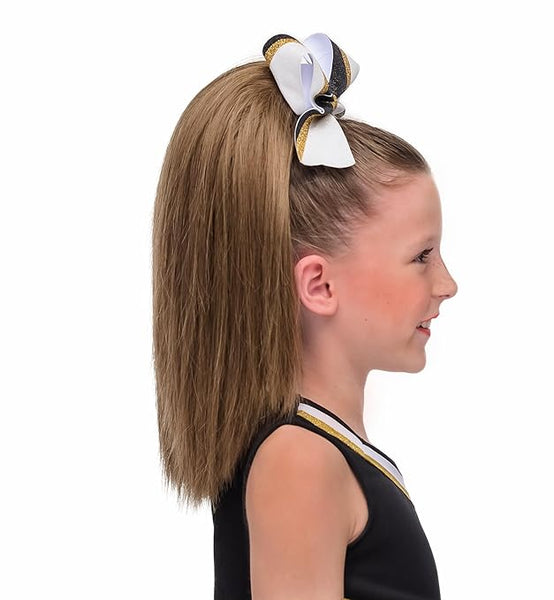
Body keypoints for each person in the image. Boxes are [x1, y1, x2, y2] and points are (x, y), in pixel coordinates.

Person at [152, 31, 458, 600]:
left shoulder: (317, 453)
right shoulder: (301, 463)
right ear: (319, 285)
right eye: (421, 256)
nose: (447, 285)